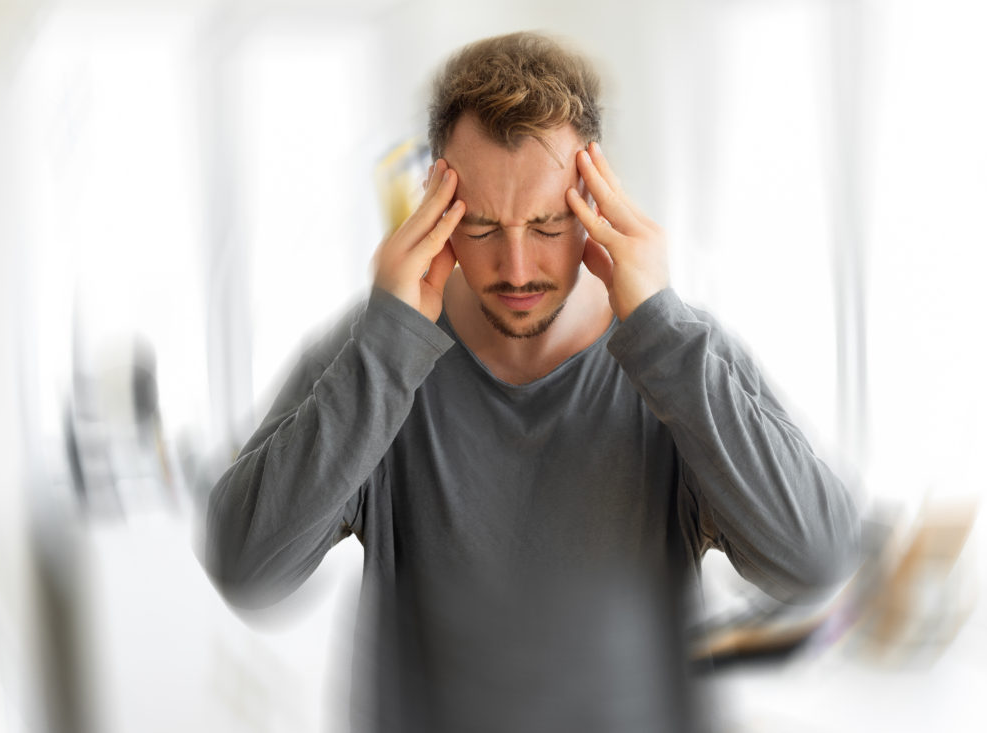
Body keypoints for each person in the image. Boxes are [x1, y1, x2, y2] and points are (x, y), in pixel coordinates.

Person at [205, 31, 859, 733]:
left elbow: (814, 560)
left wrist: (663, 331)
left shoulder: (679, 355)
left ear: (593, 204)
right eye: (482, 226)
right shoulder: (376, 353)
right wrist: (388, 346)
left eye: (548, 223)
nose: (516, 266)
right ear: (436, 207)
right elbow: (247, 567)